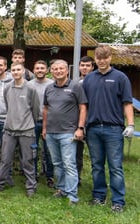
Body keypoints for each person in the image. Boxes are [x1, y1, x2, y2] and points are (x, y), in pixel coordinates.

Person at [83, 46, 134, 213]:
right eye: (99, 58)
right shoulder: (89, 78)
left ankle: (118, 201)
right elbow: (84, 106)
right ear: (95, 59)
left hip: (113, 129)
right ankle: (99, 196)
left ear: (110, 58)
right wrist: (82, 126)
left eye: (105, 58)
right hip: (93, 129)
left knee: (115, 166)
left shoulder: (121, 78)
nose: (102, 61)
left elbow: (127, 102)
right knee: (97, 165)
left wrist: (131, 124)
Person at [0, 62, 39, 197]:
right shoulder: (7, 88)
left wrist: (28, 123)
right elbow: (8, 106)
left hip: (26, 130)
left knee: (27, 160)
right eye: (14, 70)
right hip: (9, 130)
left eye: (18, 70)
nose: (16, 72)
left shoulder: (31, 88)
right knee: (5, 159)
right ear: (11, 72)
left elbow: (35, 110)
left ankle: (31, 187)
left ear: (23, 71)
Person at [42, 59, 87, 205]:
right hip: (51, 132)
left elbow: (83, 108)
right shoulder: (49, 88)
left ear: (67, 70)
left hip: (68, 132)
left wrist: (80, 128)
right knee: (57, 163)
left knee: (69, 164)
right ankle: (61, 189)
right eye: (55, 69)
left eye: (61, 68)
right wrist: (44, 128)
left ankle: (72, 196)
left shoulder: (75, 86)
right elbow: (46, 109)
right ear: (52, 71)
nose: (58, 71)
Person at [28, 60, 54, 188]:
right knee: (33, 150)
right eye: (37, 68)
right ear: (33, 70)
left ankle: (50, 176)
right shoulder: (29, 85)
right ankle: (33, 175)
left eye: (42, 68)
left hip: (49, 123)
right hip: (32, 122)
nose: (39, 70)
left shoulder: (52, 84)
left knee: (49, 151)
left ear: (47, 70)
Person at [76, 56, 94, 186]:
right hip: (78, 123)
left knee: (96, 155)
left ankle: (98, 182)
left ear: (92, 67)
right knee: (77, 153)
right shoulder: (75, 83)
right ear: (79, 67)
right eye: (82, 65)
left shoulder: (97, 81)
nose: (85, 68)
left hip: (93, 123)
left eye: (88, 65)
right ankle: (76, 179)